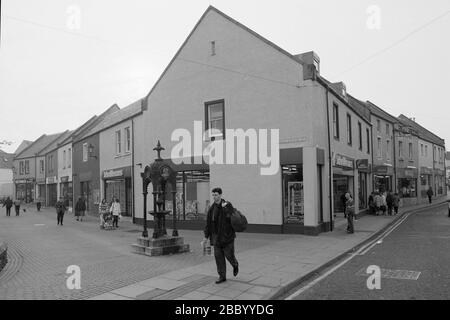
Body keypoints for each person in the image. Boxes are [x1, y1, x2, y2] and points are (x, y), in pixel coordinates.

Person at [203, 187, 239, 284]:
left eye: (216, 195)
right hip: (216, 237)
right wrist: (205, 237)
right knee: (218, 257)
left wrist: (226, 208)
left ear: (220, 195)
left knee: (229, 256)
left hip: (227, 237)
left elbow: (234, 216)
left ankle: (235, 265)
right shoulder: (212, 209)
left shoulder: (227, 205)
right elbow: (208, 224)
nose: (214, 197)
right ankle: (222, 276)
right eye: (213, 195)